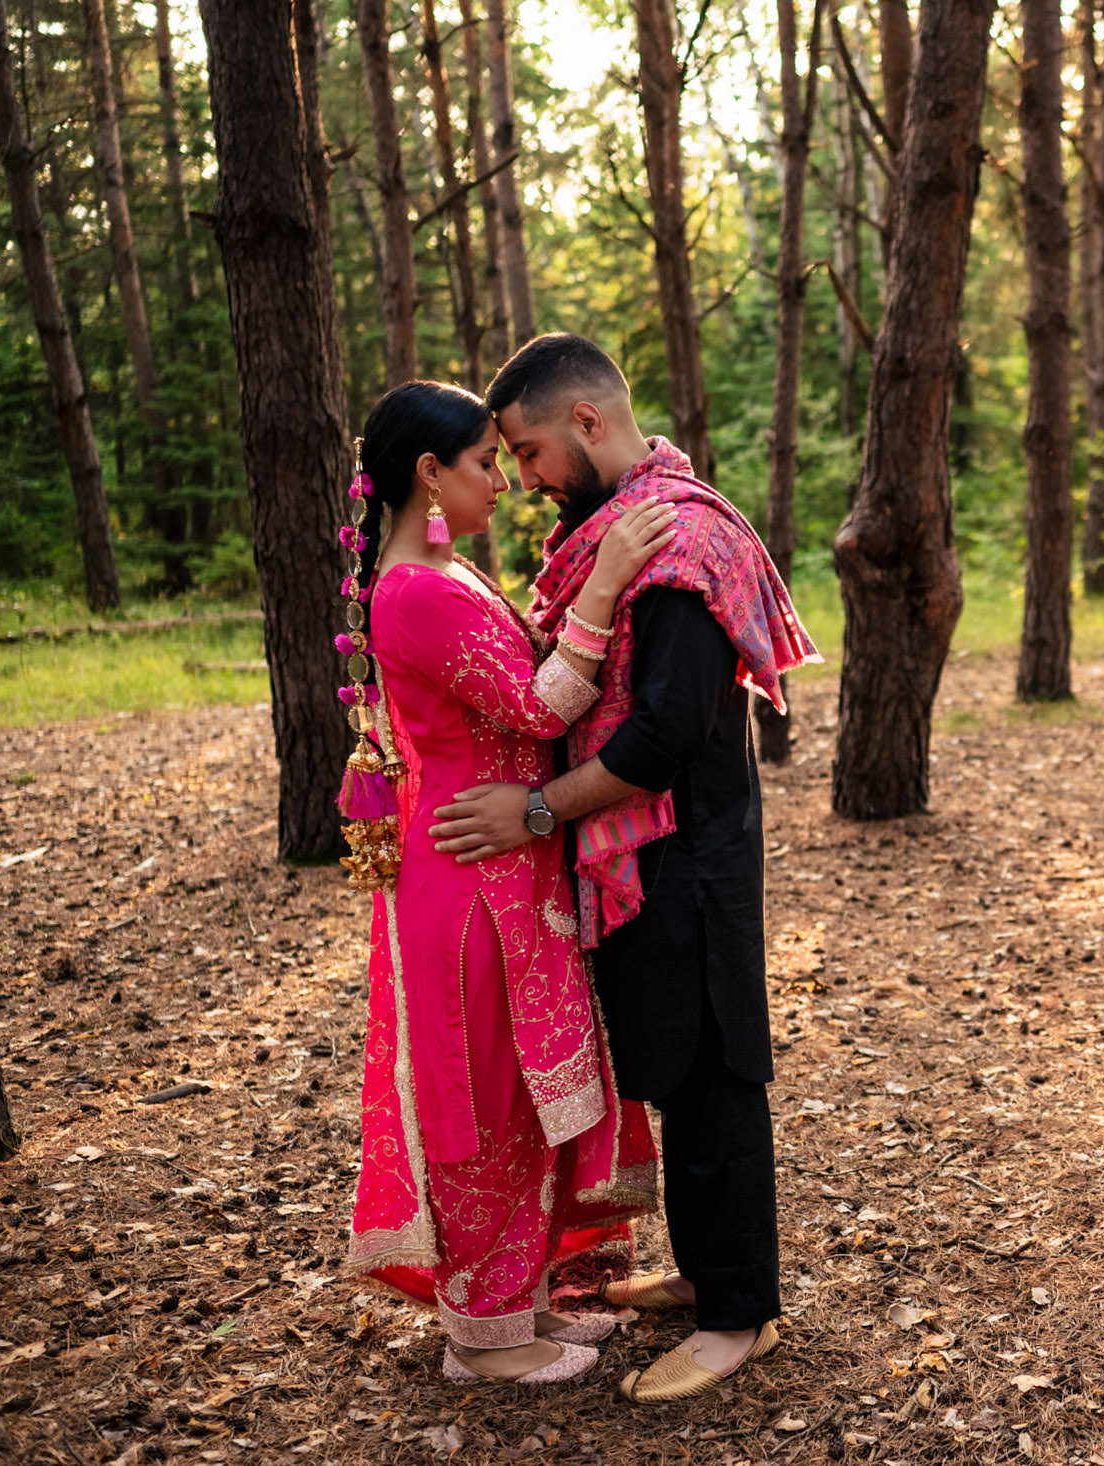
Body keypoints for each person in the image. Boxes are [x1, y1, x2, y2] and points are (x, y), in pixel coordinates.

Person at [426, 335, 819, 1404]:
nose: (526, 476)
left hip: (686, 854)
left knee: (715, 1078)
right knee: (675, 1067)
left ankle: (742, 1317)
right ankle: (707, 1273)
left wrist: (537, 809)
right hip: (648, 855)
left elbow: (668, 732)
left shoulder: (672, 543)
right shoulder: (618, 531)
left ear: (588, 425)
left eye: (532, 449)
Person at [336, 380, 678, 1386]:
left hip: (501, 872)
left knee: (524, 1094)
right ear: (428, 474)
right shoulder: (418, 589)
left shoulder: (445, 571)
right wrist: (608, 577)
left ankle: (522, 1300)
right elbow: (540, 707)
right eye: (487, 462)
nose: (503, 479)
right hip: (469, 887)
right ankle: (485, 1339)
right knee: (482, 1096)